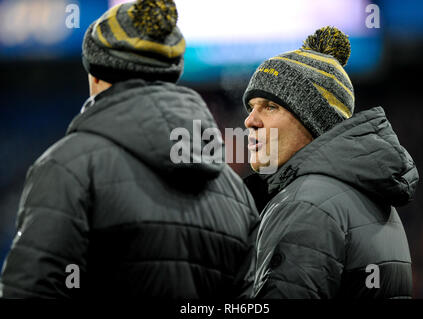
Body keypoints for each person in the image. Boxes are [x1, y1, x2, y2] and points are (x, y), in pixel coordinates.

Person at [0, 0, 259, 298]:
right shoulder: (234, 190)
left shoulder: (68, 167)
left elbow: (30, 289)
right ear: (172, 73)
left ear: (95, 76)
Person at [243, 26, 419, 298]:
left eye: (270, 106)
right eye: (252, 106)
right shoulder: (370, 199)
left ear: (312, 119)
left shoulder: (305, 205)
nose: (250, 120)